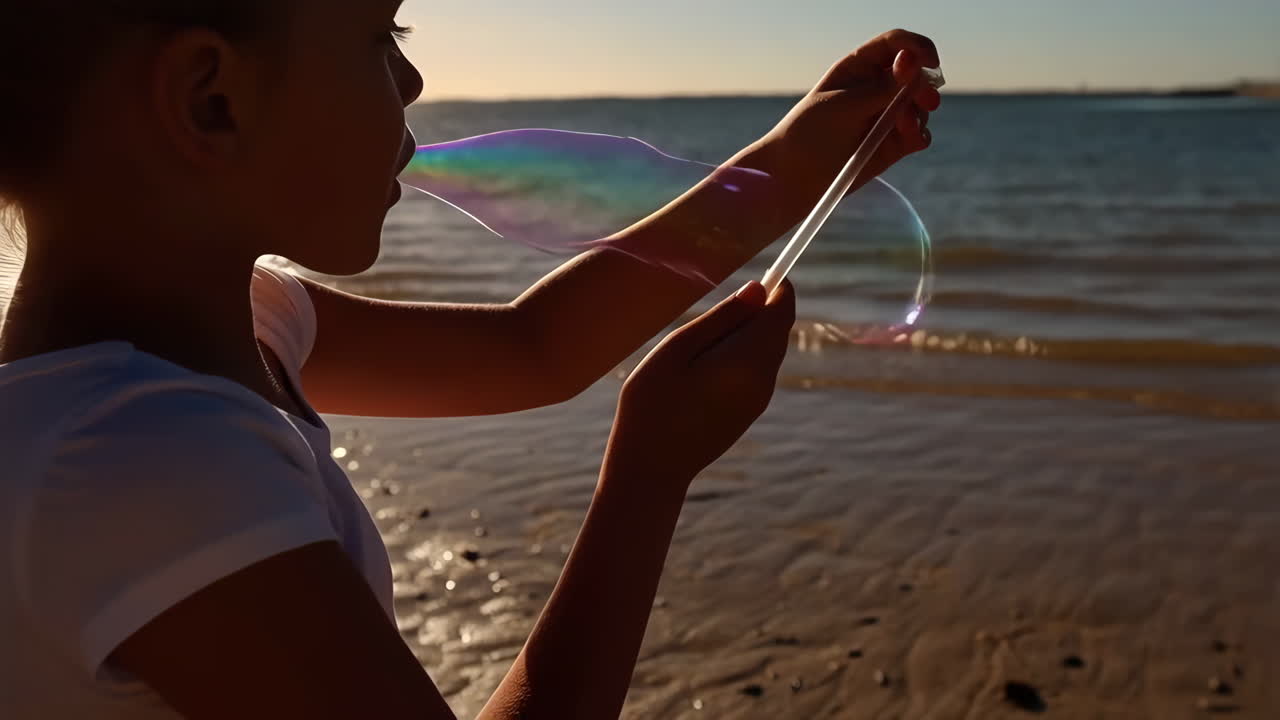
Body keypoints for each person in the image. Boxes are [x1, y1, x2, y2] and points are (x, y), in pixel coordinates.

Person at [0, 2, 940, 718]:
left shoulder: (238, 324)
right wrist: (648, 475)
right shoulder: (141, 462)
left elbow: (532, 347)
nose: (410, 82)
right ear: (212, 99)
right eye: (380, 36)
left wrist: (800, 157)